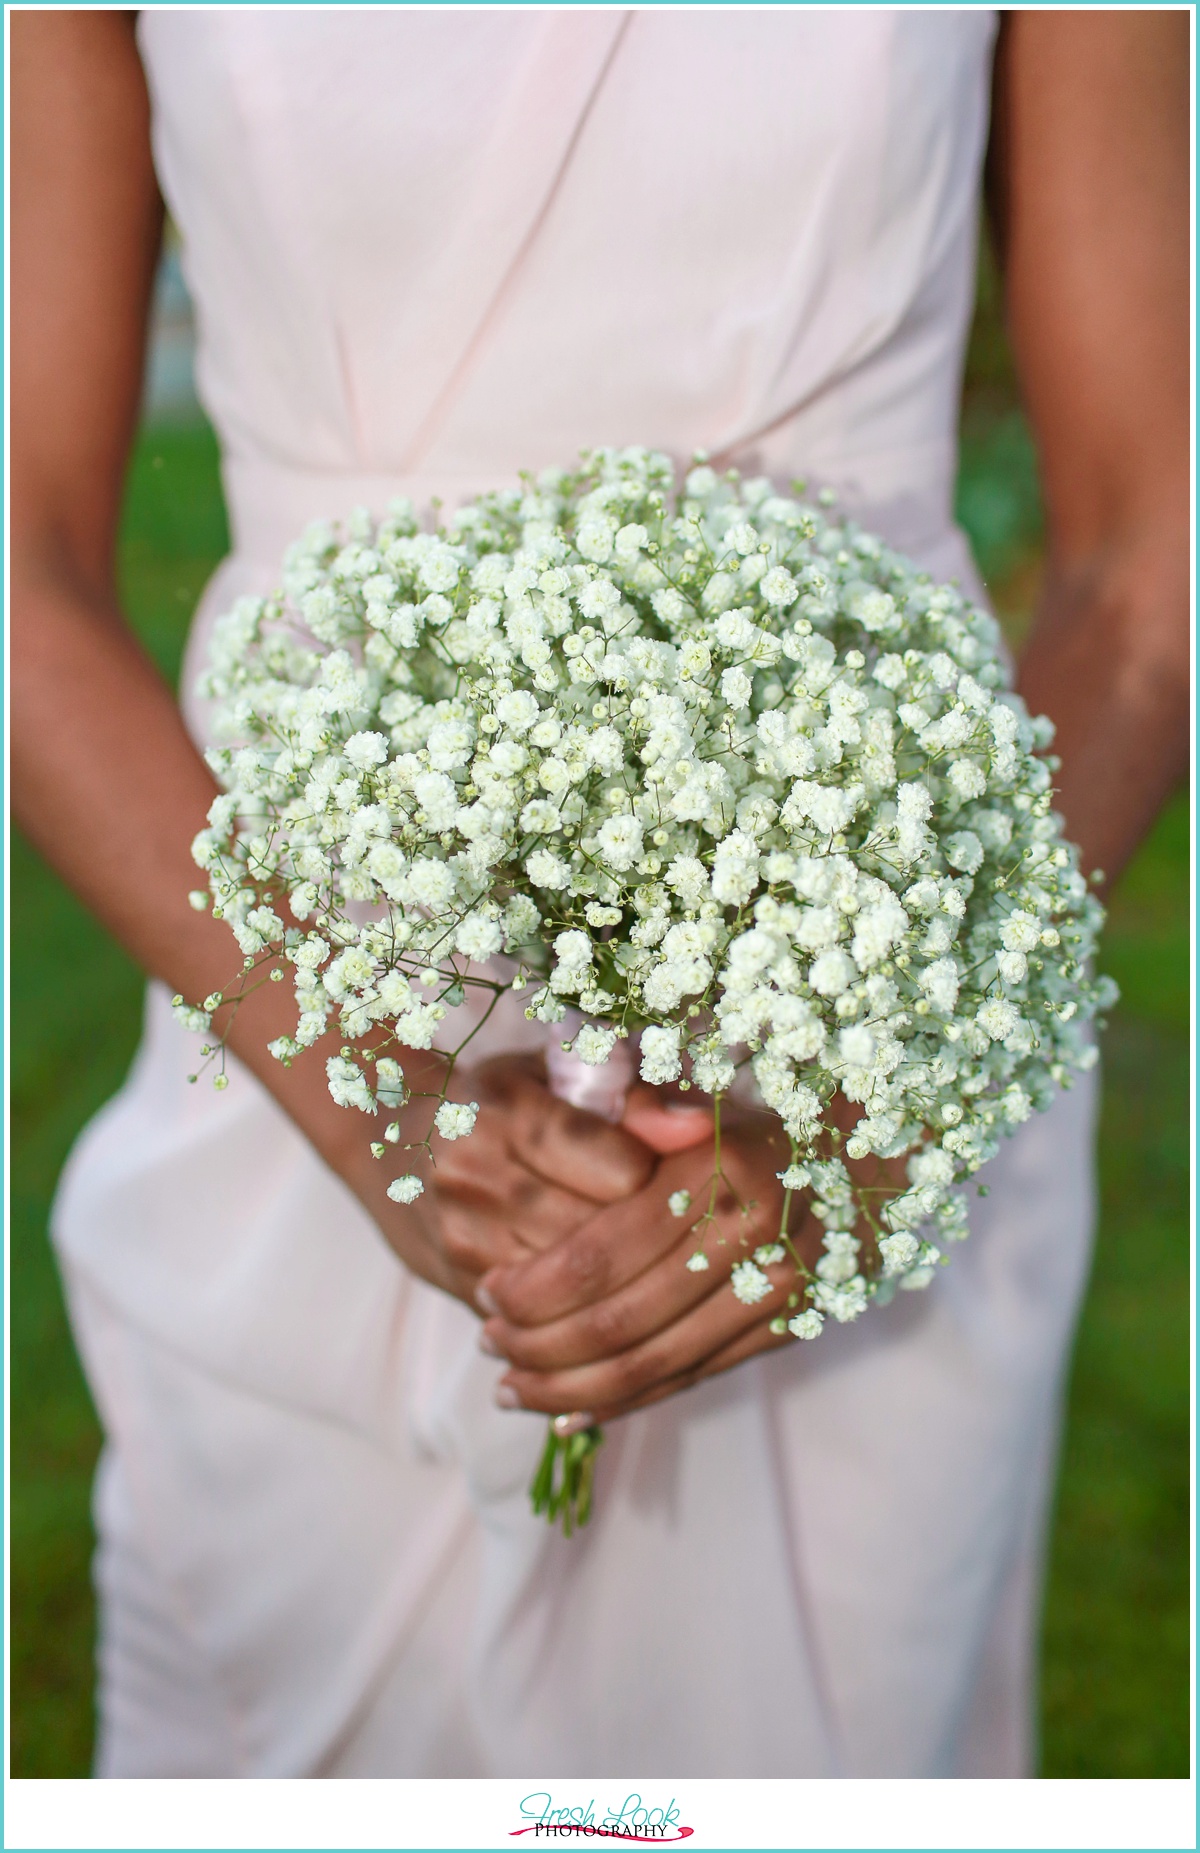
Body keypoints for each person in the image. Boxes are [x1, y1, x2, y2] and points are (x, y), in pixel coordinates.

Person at [12, 9, 1187, 1778]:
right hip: (298, 977)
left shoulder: (879, 1086)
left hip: (866, 1005)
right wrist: (368, 1107)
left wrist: (887, 1097)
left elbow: (1147, 531)